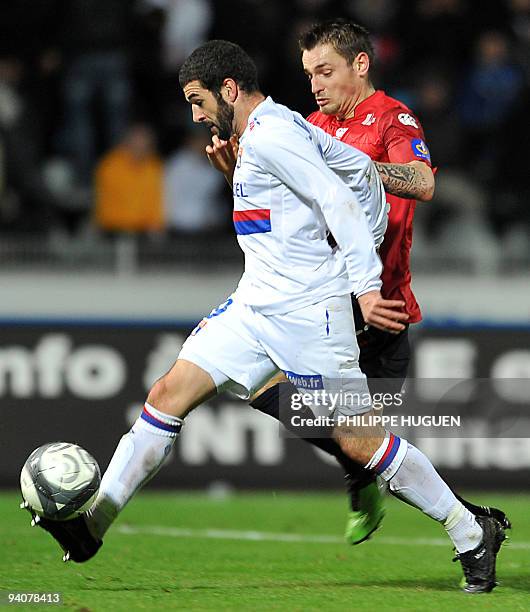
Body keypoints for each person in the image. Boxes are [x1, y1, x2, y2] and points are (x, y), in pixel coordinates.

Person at [26, 40, 506, 594]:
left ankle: (471, 531)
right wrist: (242, 174)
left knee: (359, 441)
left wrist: (367, 289)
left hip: (310, 311)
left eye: (198, 100)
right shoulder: (266, 132)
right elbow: (315, 193)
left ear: (229, 90)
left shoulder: (274, 133)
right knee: (166, 394)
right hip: (255, 304)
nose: (195, 115)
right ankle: (91, 529)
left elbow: (339, 199)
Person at [206, 20, 510, 548]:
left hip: (381, 312)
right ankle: (406, 494)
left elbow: (423, 181)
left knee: (374, 444)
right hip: (322, 307)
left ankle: (438, 508)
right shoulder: (306, 124)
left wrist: (353, 167)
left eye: (324, 71)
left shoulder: (392, 117)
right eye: (308, 74)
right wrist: (236, 176)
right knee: (261, 389)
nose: (315, 85)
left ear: (360, 64)